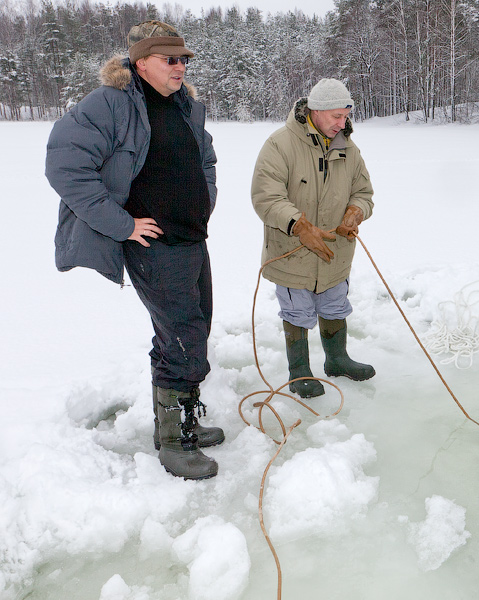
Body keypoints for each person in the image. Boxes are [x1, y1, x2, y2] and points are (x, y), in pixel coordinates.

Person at [45, 20, 221, 480]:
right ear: (142, 62)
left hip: (191, 237)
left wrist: (205, 199)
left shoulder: (184, 105)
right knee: (182, 337)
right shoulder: (110, 104)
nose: (180, 67)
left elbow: (205, 159)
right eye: (170, 59)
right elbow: (65, 166)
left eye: (184, 59)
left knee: (193, 327)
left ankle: (184, 418)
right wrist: (121, 225)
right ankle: (172, 440)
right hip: (155, 246)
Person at [251, 78, 375, 398]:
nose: (342, 122)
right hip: (293, 251)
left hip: (335, 250)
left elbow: (363, 193)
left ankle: (337, 359)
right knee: (297, 311)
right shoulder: (280, 144)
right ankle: (300, 372)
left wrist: (355, 212)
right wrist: (298, 224)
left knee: (335, 304)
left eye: (346, 115)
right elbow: (266, 197)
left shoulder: (349, 149)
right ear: (315, 111)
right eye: (336, 116)